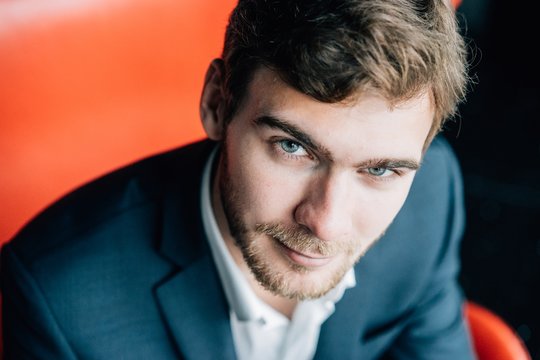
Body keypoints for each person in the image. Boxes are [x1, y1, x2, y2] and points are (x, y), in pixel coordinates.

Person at [1, 0, 474, 358]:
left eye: (380, 170)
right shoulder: (56, 300)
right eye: (292, 147)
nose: (325, 223)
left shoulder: (430, 196)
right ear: (217, 104)